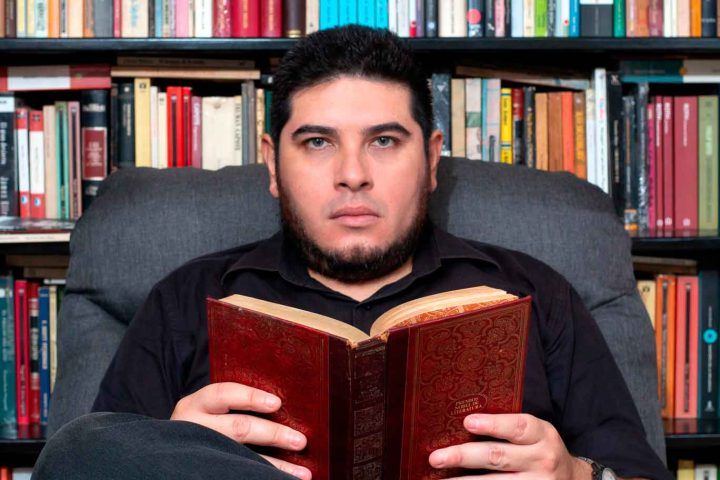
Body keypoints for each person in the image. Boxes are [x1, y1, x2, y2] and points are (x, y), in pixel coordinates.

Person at [34, 25, 671, 480]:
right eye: (317, 142)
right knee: (76, 449)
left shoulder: (535, 291)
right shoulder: (187, 298)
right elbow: (85, 464)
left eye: (385, 141)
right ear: (272, 164)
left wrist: (580, 475)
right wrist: (176, 449)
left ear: (431, 158)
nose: (353, 174)